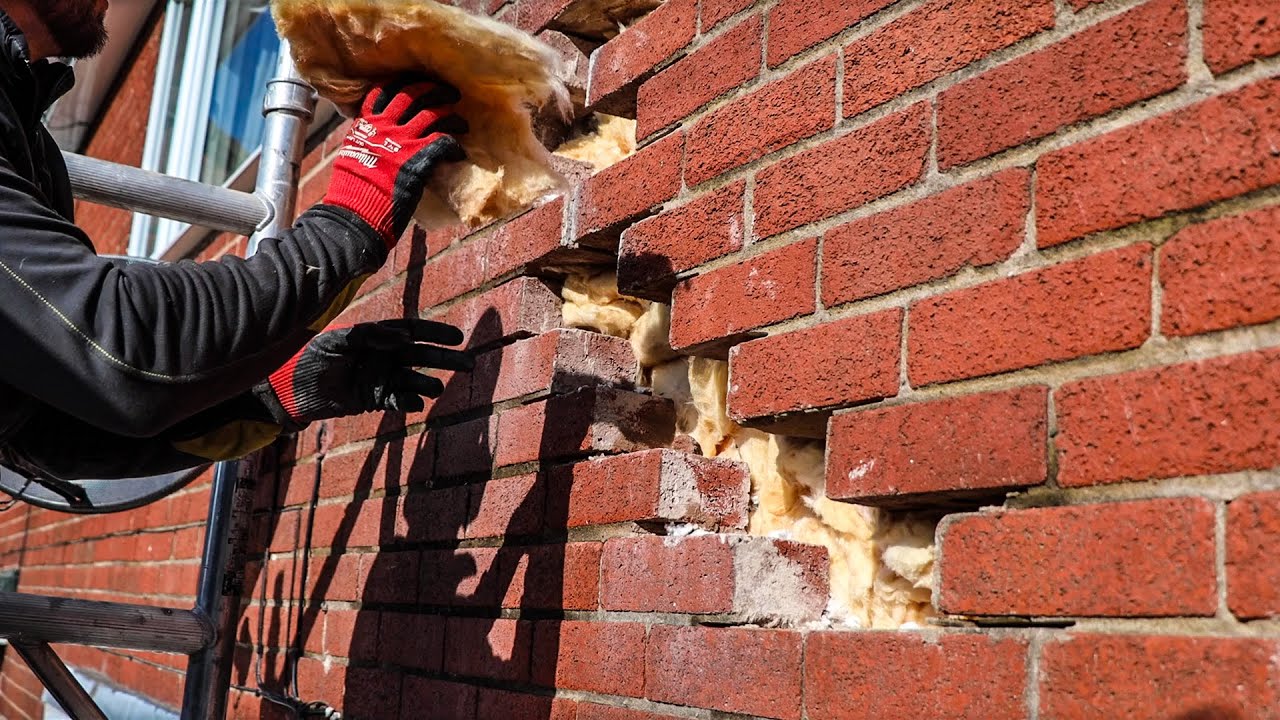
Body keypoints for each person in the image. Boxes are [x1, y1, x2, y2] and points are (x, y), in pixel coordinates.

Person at [0, 0, 475, 485]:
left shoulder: (27, 137)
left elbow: (47, 431)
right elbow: (117, 353)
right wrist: (351, 220)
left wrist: (273, 394)